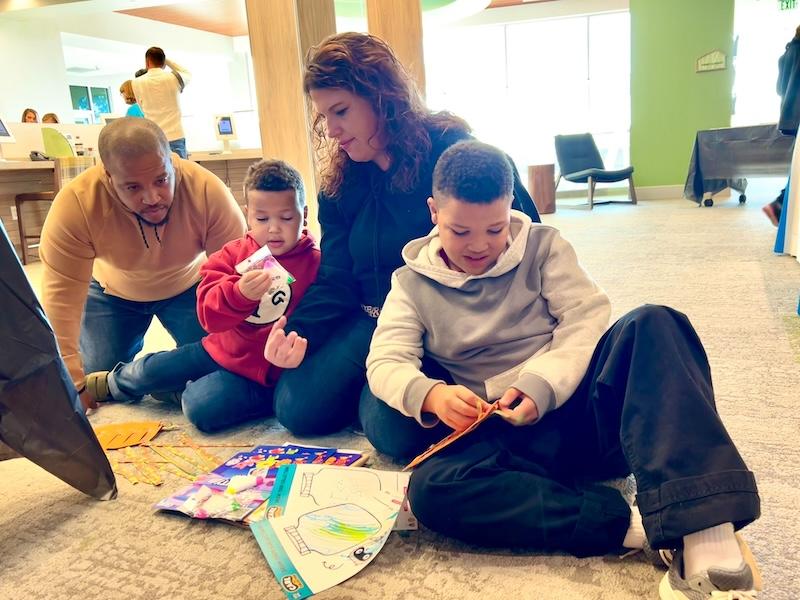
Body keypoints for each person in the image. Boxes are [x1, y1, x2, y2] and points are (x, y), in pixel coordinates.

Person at [363, 140, 762, 599]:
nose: (480, 246)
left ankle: (704, 525)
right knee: (432, 491)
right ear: (434, 212)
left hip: (579, 416)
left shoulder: (544, 245)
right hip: (502, 442)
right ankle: (632, 526)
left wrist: (542, 384)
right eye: (460, 231)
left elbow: (586, 316)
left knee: (656, 321)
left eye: (495, 229)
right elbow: (387, 360)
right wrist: (430, 394)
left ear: (511, 206)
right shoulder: (411, 283)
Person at [265, 32, 540, 437]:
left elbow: (524, 238)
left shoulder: (452, 153)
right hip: (372, 320)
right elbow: (336, 277)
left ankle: (381, 396)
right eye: (324, 117)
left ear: (380, 96)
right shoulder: (338, 183)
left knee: (389, 429)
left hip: (444, 322)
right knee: (295, 407)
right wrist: (297, 332)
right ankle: (373, 388)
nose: (333, 130)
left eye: (341, 111)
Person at [83, 160, 320, 432]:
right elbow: (208, 316)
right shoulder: (233, 254)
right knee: (152, 370)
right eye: (262, 219)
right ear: (248, 215)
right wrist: (239, 293)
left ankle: (180, 391)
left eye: (286, 218)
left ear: (304, 214)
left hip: (267, 375)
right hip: (219, 348)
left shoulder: (317, 264)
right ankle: (115, 381)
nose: (274, 229)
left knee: (199, 407)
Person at [38, 117, 246, 412]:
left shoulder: (207, 191)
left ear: (173, 164)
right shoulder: (75, 206)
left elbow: (239, 276)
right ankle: (154, 378)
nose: (152, 197)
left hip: (189, 286)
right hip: (112, 292)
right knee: (96, 378)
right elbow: (60, 302)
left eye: (161, 180)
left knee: (223, 364)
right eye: (133, 187)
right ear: (108, 177)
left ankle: (159, 381)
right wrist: (74, 382)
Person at [763, 24, 800, 226]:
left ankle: (778, 207)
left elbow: (780, 88)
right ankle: (778, 206)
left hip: (790, 116)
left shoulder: (786, 55)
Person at [131, 46, 191, 158]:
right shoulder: (174, 78)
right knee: (179, 173)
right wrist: (166, 61)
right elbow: (186, 73)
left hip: (154, 138)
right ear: (163, 62)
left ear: (147, 61)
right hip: (176, 135)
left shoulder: (136, 83)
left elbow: (141, 107)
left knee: (156, 174)